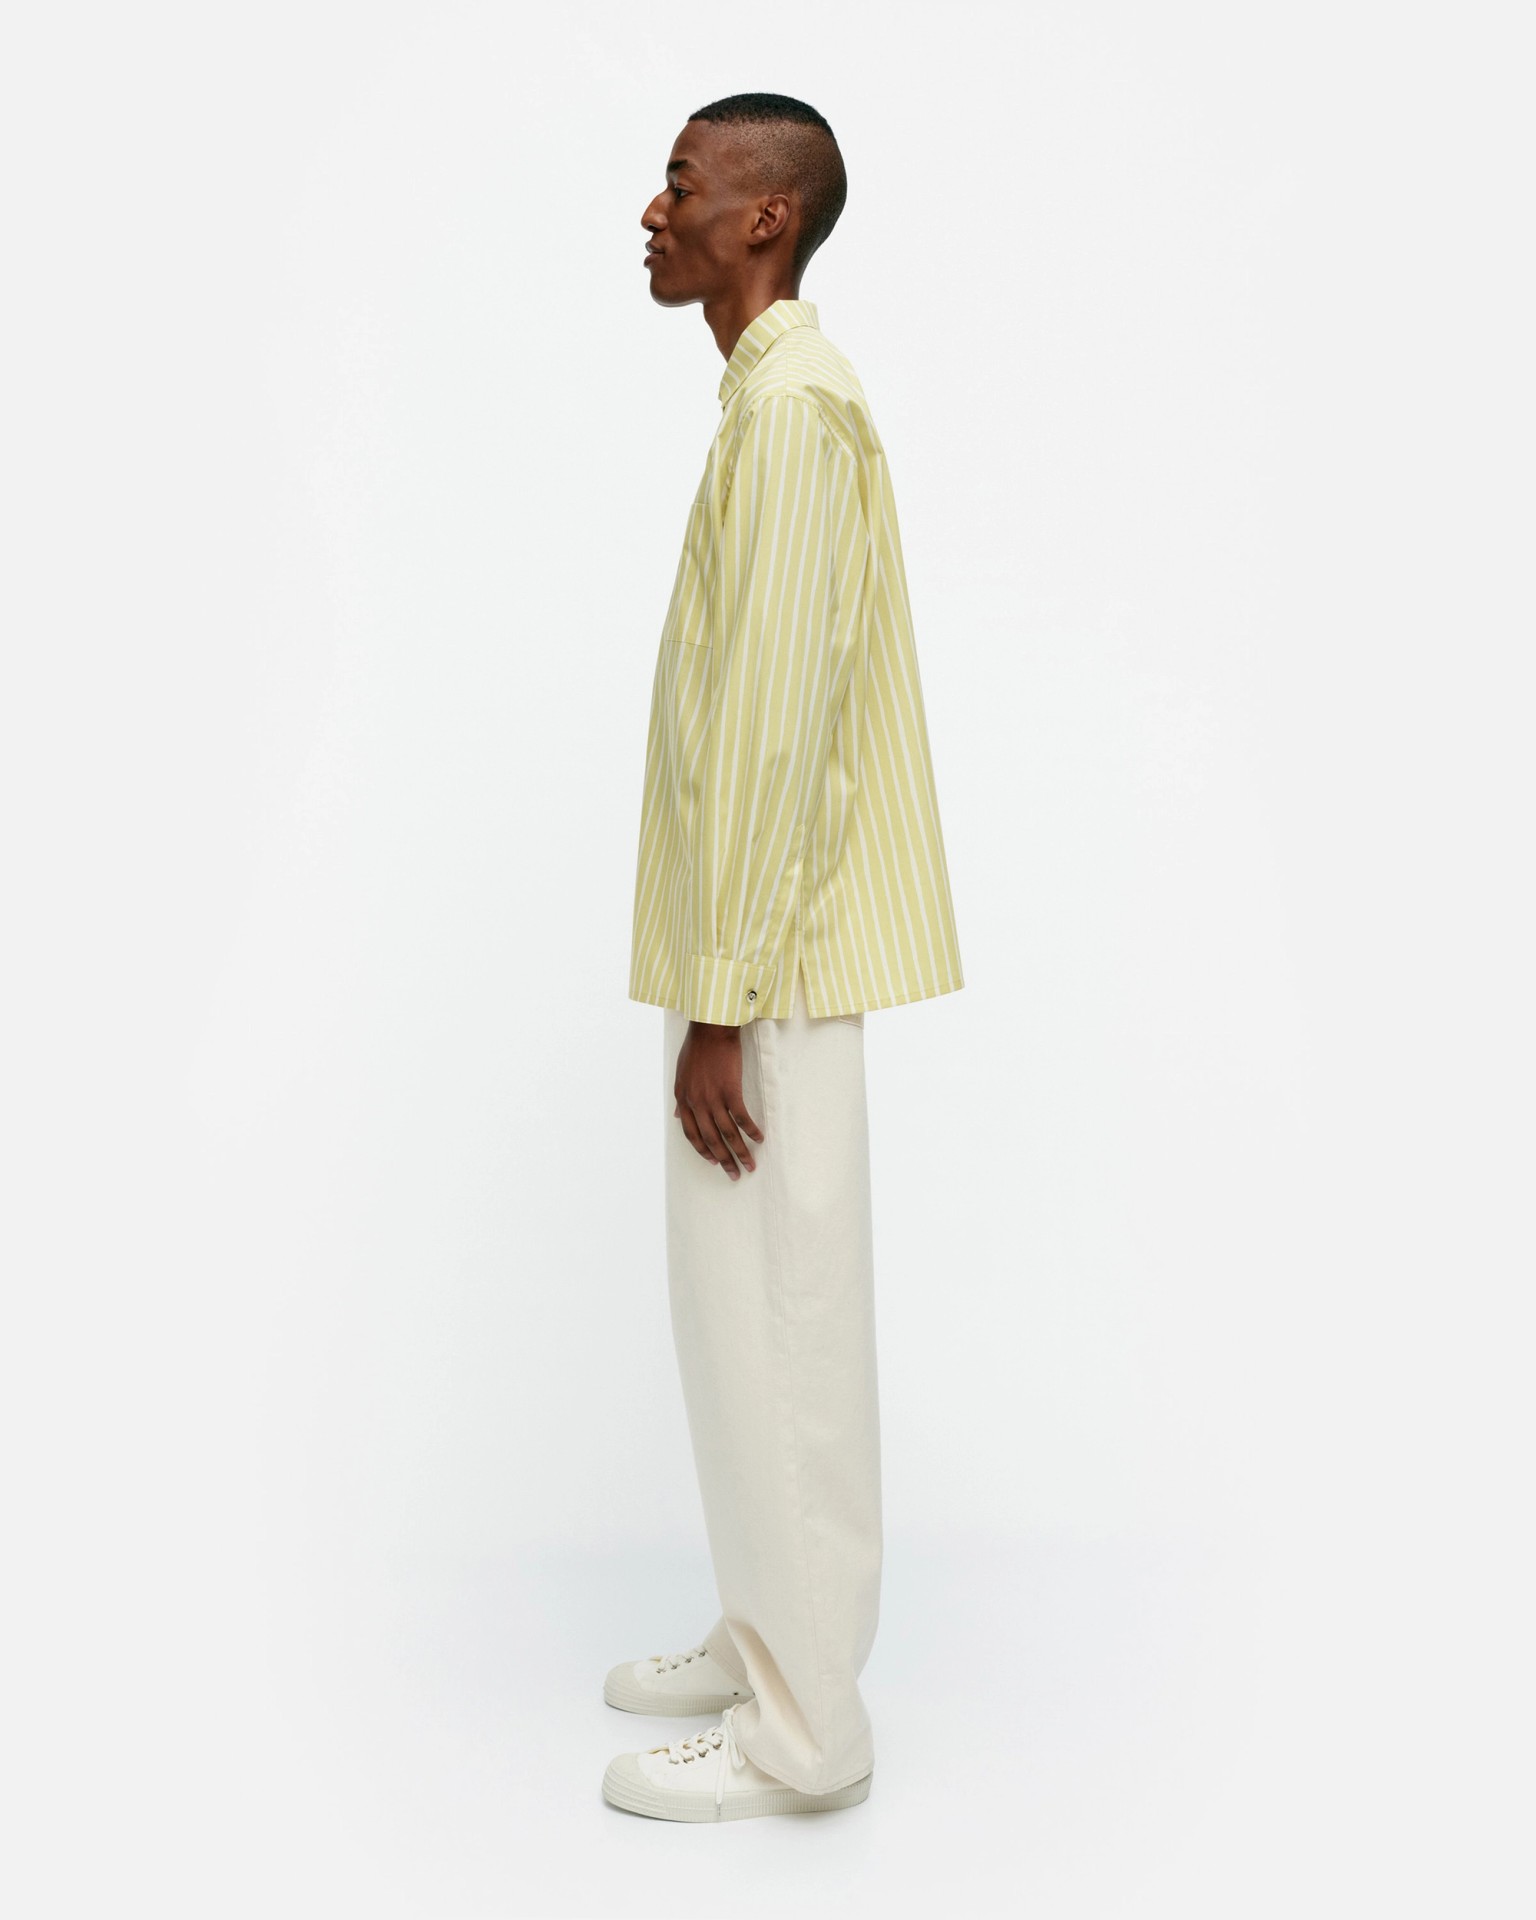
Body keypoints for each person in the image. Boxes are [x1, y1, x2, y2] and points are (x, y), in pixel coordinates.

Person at [603, 92, 964, 1823]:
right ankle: (772, 1636)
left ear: (766, 219)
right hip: (759, 963)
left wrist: (720, 1008)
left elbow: (770, 731)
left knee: (784, 1331)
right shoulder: (768, 407)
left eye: (682, 182)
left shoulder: (797, 416)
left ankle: (806, 1735)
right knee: (746, 1326)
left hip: (777, 976)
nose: (652, 210)